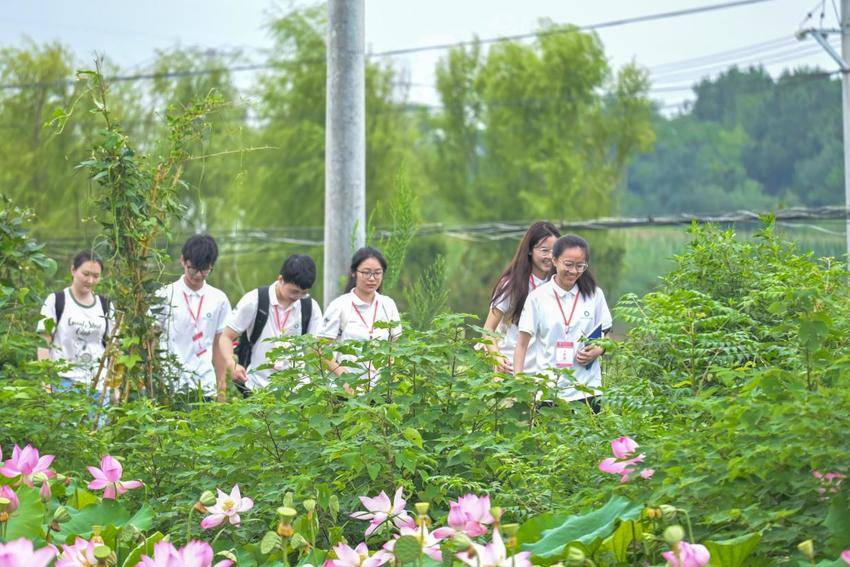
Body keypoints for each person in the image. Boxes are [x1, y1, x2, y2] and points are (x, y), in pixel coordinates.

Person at [513, 235, 612, 407]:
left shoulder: (595, 295)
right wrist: (518, 383)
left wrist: (598, 350)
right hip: (548, 392)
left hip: (587, 390)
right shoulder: (538, 297)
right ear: (555, 261)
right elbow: (521, 344)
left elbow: (606, 336)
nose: (574, 271)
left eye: (580, 266)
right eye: (568, 264)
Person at [218, 254, 323, 393]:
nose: (297, 297)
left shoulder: (309, 307)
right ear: (280, 279)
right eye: (293, 291)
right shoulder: (255, 300)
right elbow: (226, 337)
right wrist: (232, 365)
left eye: (303, 293)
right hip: (256, 387)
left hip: (296, 391)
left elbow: (319, 346)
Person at [154, 235, 231, 401]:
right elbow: (150, 339)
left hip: (205, 386)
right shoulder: (164, 295)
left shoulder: (219, 299)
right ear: (183, 261)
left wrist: (221, 388)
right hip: (170, 387)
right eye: (193, 268)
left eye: (205, 270)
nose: (198, 275)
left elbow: (219, 345)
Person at [482, 221, 561, 373]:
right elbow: (488, 330)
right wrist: (497, 357)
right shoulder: (512, 284)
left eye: (554, 251)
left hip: (547, 376)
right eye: (544, 250)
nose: (550, 257)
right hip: (512, 373)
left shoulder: (560, 285)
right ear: (530, 250)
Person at [320, 247, 402, 382]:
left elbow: (394, 347)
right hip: (346, 389)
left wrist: (388, 375)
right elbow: (321, 350)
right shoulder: (339, 306)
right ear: (353, 273)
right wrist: (344, 377)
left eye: (377, 273)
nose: (372, 278)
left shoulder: (388, 305)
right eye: (366, 272)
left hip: (380, 390)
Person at [37, 250, 113, 390]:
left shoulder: (105, 305)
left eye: (96, 276)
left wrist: (113, 387)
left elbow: (113, 347)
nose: (90, 280)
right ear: (73, 270)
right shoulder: (56, 301)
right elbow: (43, 343)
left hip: (98, 384)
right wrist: (46, 383)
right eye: (86, 274)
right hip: (64, 383)